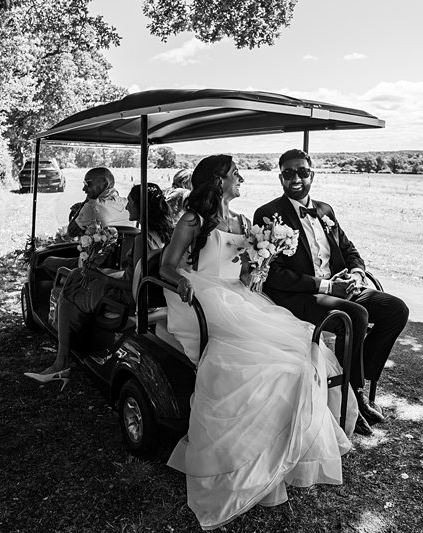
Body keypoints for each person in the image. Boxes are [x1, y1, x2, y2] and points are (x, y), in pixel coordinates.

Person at [159, 154, 358, 530]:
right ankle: (242, 466)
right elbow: (167, 265)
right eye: (236, 175)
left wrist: (257, 267)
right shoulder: (193, 220)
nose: (242, 180)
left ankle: (282, 455)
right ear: (219, 181)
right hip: (207, 297)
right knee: (266, 364)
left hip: (238, 298)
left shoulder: (244, 221)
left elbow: (246, 273)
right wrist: (181, 279)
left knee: (305, 351)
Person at [253, 148, 410, 437]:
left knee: (396, 309)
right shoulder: (268, 215)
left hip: (341, 287)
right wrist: (326, 286)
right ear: (280, 178)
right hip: (303, 295)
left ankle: (358, 383)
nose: (296, 178)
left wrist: (357, 273)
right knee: (354, 315)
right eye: (289, 173)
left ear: (311, 174)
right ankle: (351, 399)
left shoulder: (325, 210)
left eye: (302, 172)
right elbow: (274, 274)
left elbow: (349, 250)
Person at [24, 183, 173, 385]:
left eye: (130, 203)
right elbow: (136, 274)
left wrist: (101, 277)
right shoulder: (166, 234)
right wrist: (103, 273)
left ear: (141, 207)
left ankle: (61, 363)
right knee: (78, 275)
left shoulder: (141, 240)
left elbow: (132, 283)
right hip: (152, 294)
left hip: (128, 297)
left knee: (70, 291)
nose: (127, 207)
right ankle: (74, 347)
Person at [67, 167, 132, 237]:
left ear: (104, 184)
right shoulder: (127, 204)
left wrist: (85, 203)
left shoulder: (91, 207)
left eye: (87, 184)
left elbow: (71, 233)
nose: (84, 189)